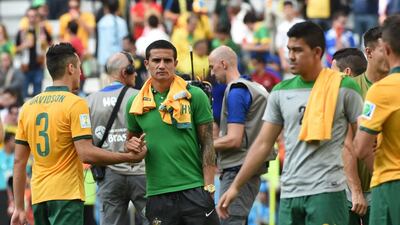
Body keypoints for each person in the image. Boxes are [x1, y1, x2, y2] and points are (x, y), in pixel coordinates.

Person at [217, 21, 363, 225]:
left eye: (297, 50)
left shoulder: (344, 87)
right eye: (288, 50)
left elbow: (361, 143)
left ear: (317, 52)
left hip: (328, 191)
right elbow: (262, 144)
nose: (290, 56)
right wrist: (235, 187)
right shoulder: (280, 91)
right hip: (290, 192)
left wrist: (361, 190)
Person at [11, 43, 146, 225]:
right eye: (80, 67)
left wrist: (19, 208)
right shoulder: (75, 104)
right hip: (66, 195)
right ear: (70, 68)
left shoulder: (28, 107)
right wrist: (126, 156)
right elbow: (86, 153)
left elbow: (19, 161)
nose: (81, 74)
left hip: (39, 196)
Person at [125, 40, 219, 225]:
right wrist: (131, 148)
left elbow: (207, 144)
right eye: (156, 60)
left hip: (195, 189)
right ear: (146, 64)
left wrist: (209, 187)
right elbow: (132, 149)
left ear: (175, 63)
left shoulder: (195, 96)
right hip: (157, 194)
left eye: (167, 60)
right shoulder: (135, 103)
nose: (161, 65)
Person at [209, 46, 270, 225]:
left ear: (223, 63)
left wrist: (204, 144)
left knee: (230, 221)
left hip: (238, 169)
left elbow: (235, 139)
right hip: (250, 168)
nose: (212, 73)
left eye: (213, 67)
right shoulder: (255, 86)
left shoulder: (236, 91)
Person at [86, 52, 147, 225]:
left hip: (109, 175)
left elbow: (87, 143)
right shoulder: (140, 97)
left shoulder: (89, 101)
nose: (135, 74)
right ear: (124, 71)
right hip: (141, 172)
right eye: (133, 69)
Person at [353, 15, 400, 225]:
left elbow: (361, 148)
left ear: (388, 49)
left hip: (390, 185)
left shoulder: (380, 91)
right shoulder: (354, 85)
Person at [340, 26, 389, 225]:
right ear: (368, 52)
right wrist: (356, 191)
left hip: (387, 187)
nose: (391, 54)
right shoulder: (351, 88)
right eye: (385, 49)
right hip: (351, 190)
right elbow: (347, 142)